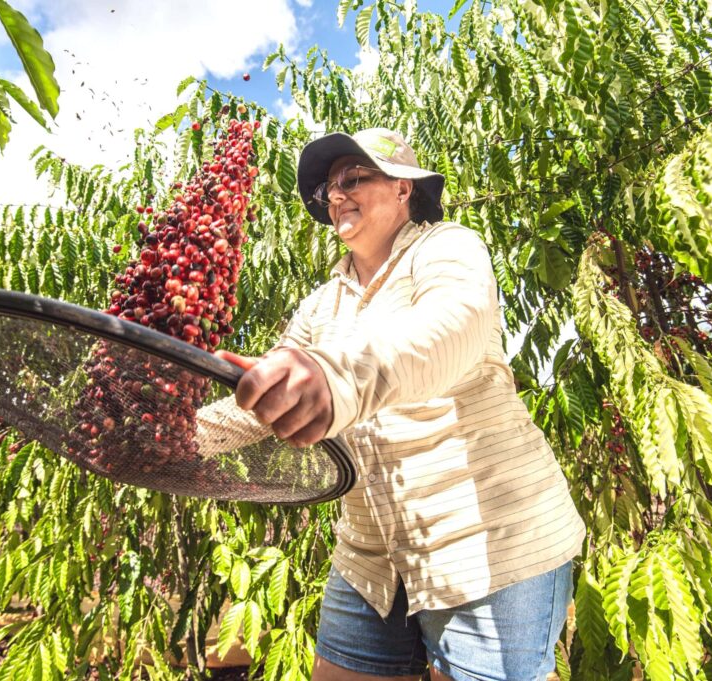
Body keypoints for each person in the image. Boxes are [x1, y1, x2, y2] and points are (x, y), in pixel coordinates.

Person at [215, 128, 586, 681]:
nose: (336, 194)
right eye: (328, 190)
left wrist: (334, 377)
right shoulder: (323, 303)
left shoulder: (447, 248)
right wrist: (179, 436)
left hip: (489, 544)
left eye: (352, 178)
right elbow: (272, 392)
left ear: (404, 189)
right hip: (371, 553)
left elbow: (447, 328)